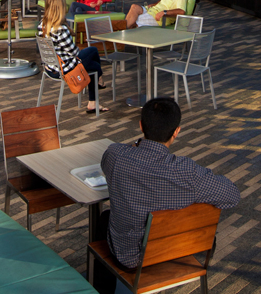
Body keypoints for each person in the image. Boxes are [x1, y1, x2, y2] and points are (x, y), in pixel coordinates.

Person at [98, 97, 240, 272]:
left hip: (129, 259)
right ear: (176, 132)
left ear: (141, 126)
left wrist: (137, 146)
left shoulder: (115, 155)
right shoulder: (188, 172)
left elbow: (106, 162)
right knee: (203, 218)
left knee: (105, 218)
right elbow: (232, 195)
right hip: (175, 253)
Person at [39, 0, 107, 113]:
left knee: (94, 65)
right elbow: (73, 52)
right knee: (93, 53)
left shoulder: (42, 26)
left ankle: (95, 95)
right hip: (64, 68)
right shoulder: (60, 29)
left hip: (50, 67)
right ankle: (97, 86)